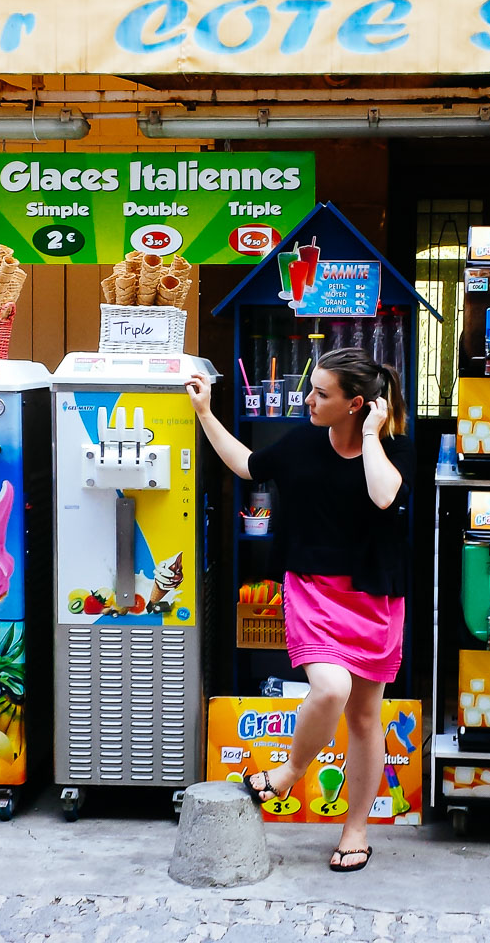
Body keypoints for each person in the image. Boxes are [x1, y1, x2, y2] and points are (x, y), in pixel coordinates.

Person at [186, 347, 414, 873]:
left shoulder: (392, 445)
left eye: (322, 394)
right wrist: (205, 413)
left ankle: (355, 829)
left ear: (356, 404)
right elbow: (247, 464)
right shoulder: (301, 442)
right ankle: (290, 772)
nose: (308, 400)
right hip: (312, 588)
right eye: (312, 388)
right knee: (332, 688)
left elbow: (383, 497)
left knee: (363, 717)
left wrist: (375, 436)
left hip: (373, 593)